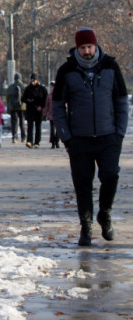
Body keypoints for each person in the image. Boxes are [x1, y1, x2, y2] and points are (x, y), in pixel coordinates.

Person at [52, 27, 128, 246]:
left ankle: (105, 213)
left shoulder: (110, 66)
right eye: (82, 47)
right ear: (77, 48)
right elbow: (58, 107)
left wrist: (119, 133)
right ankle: (86, 227)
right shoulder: (67, 71)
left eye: (90, 47)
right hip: (80, 139)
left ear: (96, 46)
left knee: (111, 176)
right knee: (83, 184)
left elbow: (122, 102)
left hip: (108, 137)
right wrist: (67, 137)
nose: (86, 51)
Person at [22, 73, 48, 148]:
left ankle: (37, 142)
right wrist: (28, 100)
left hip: (38, 110)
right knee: (30, 126)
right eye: (31, 80)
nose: (32, 82)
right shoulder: (28, 89)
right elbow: (23, 98)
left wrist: (41, 106)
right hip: (30, 109)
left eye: (34, 80)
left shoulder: (42, 89)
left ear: (37, 80)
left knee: (38, 126)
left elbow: (45, 99)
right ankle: (29, 141)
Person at [6, 73, 26, 143]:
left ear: (14, 79)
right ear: (20, 78)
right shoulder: (23, 86)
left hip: (13, 107)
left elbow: (7, 97)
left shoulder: (11, 87)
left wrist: (9, 106)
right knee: (22, 121)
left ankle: (14, 137)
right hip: (22, 107)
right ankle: (23, 137)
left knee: (14, 122)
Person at [42, 81, 60, 149]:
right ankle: (53, 143)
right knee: (52, 130)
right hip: (51, 115)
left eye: (52, 87)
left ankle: (57, 141)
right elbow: (46, 106)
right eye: (50, 87)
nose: (51, 88)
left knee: (58, 130)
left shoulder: (59, 95)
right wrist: (45, 114)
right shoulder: (49, 96)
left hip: (58, 115)